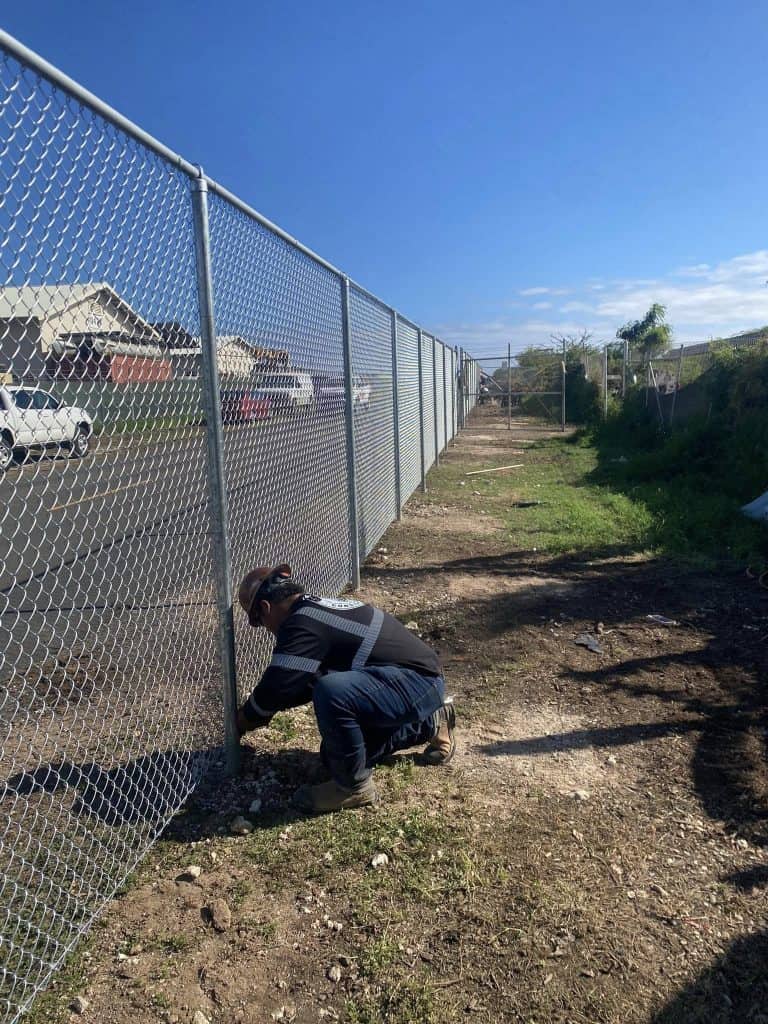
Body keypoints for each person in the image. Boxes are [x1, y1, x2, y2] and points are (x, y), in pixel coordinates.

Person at [235, 564, 456, 814]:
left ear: (265, 608)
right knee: (336, 757)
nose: (266, 629)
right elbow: (298, 684)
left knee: (331, 691)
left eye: (259, 622)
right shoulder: (314, 610)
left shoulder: (302, 623)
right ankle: (431, 722)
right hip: (413, 680)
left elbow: (278, 686)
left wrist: (243, 721)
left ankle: (354, 787)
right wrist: (261, 711)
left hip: (418, 681)